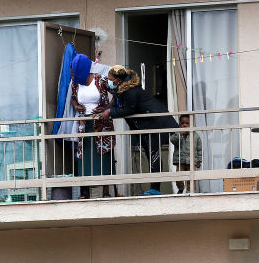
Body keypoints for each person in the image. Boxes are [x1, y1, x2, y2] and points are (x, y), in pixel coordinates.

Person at [94, 65, 178, 194]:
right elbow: (117, 104)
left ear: (117, 79)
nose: (108, 80)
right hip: (147, 125)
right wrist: (104, 110)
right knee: (152, 155)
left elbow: (128, 109)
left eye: (110, 78)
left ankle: (156, 189)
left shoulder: (130, 90)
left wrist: (110, 112)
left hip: (154, 124)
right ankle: (155, 188)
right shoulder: (122, 89)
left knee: (154, 155)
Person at [68, 53, 115, 198]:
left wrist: (107, 108)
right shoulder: (76, 83)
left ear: (82, 69)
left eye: (76, 72)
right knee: (84, 157)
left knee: (104, 155)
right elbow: (74, 99)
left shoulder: (100, 80)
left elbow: (118, 95)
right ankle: (84, 191)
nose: (74, 75)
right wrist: (76, 106)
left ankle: (106, 191)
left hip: (102, 123)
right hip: (84, 124)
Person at [170, 114, 202, 193]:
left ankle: (189, 191)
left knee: (191, 177)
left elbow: (199, 149)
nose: (185, 125)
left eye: (187, 123)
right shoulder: (177, 134)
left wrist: (199, 160)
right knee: (179, 177)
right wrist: (180, 134)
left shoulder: (196, 136)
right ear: (179, 125)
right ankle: (181, 188)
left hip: (192, 161)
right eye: (182, 123)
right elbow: (173, 140)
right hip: (180, 160)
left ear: (191, 125)